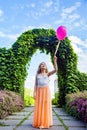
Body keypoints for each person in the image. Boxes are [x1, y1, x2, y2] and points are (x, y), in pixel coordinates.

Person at [32, 55, 58, 129]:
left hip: (46, 92)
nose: (43, 66)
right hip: (39, 92)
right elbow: (35, 85)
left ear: (46, 67)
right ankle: (40, 123)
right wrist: (34, 93)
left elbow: (56, 70)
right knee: (39, 107)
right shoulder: (37, 75)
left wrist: (55, 61)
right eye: (41, 65)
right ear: (40, 67)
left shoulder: (48, 74)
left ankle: (46, 122)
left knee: (45, 107)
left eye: (44, 65)